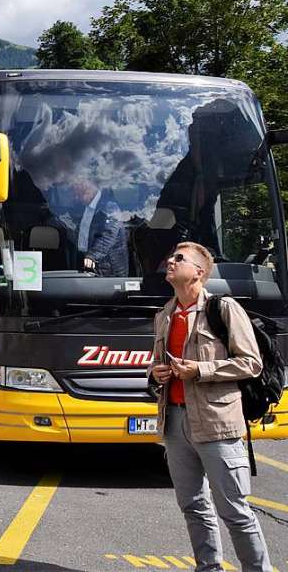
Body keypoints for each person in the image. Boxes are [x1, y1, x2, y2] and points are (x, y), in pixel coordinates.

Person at [148, 242, 271, 572]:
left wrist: (200, 370)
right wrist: (156, 372)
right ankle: (208, 568)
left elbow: (251, 363)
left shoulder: (224, 309)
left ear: (199, 273)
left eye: (179, 259)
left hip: (216, 421)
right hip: (174, 421)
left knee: (234, 510)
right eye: (170, 256)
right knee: (193, 506)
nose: (169, 262)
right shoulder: (165, 314)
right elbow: (156, 363)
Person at [70, 177, 128, 277]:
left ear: (88, 188)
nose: (76, 198)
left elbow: (108, 235)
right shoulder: (85, 206)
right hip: (89, 263)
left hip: (107, 269)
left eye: (79, 194)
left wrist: (92, 256)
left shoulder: (109, 207)